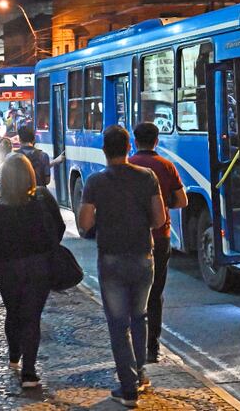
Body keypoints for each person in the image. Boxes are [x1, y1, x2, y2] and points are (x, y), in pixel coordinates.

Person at [78, 125, 166, 407]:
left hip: (111, 258)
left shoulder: (95, 182)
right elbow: (159, 219)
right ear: (129, 148)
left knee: (118, 325)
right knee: (139, 316)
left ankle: (128, 389)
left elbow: (85, 223)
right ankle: (139, 374)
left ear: (104, 150)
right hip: (143, 256)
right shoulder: (148, 177)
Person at [0, 154, 65, 389]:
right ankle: (29, 372)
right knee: (32, 317)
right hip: (38, 267)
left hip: (8, 269)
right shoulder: (42, 198)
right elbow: (60, 225)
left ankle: (14, 355)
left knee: (13, 312)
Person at [127, 122, 188, 363]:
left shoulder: (127, 165)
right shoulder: (166, 166)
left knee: (132, 293)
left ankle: (133, 347)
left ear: (134, 140)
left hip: (130, 240)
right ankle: (152, 348)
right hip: (159, 238)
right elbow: (182, 201)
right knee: (155, 293)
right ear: (157, 140)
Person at [16, 122, 64, 187]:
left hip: (19, 195)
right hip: (38, 195)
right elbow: (47, 181)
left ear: (20, 139)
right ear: (34, 139)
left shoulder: (12, 156)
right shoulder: (43, 156)